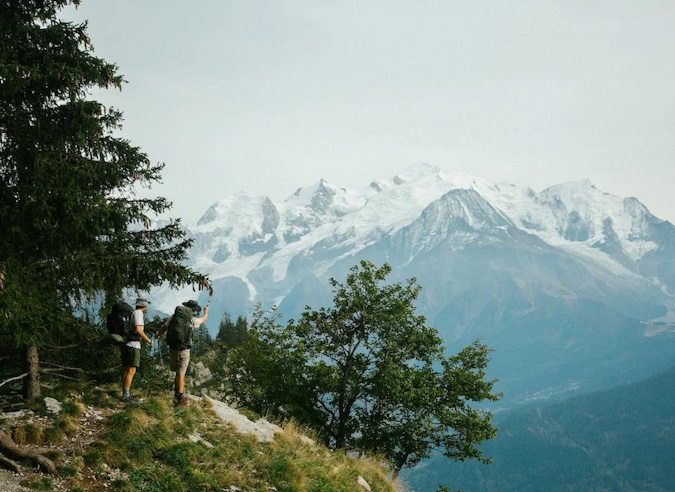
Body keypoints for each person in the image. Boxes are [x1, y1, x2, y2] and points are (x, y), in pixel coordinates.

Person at [156, 300, 209, 406]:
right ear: (193, 310)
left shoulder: (174, 317)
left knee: (177, 372)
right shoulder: (192, 320)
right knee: (181, 373)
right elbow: (204, 319)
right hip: (184, 350)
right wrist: (206, 311)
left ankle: (176, 394)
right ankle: (180, 398)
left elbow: (164, 326)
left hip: (173, 348)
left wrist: (158, 334)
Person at [121, 297, 155, 403]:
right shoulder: (138, 314)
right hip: (133, 344)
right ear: (144, 305)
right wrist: (149, 341)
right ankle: (126, 396)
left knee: (126, 369)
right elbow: (138, 329)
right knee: (132, 370)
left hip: (127, 344)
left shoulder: (133, 313)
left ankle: (124, 393)